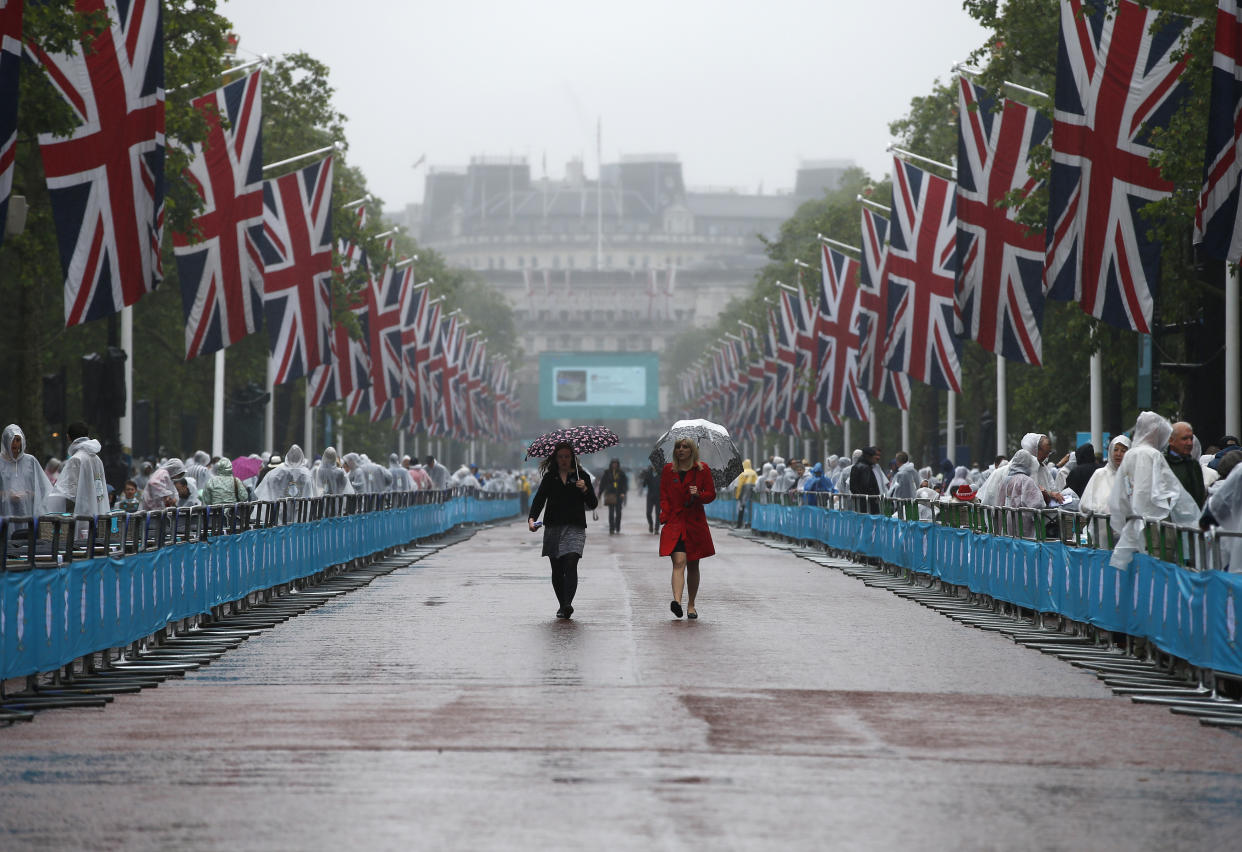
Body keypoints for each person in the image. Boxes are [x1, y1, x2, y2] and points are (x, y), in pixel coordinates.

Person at [1109, 412, 1200, 569]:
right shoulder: (1153, 455)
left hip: (1135, 523)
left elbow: (1121, 491)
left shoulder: (1130, 455)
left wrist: (1127, 517)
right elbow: (1169, 490)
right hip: (1157, 528)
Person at [527, 442, 598, 619]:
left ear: (573, 458)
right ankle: (561, 604)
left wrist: (585, 489)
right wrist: (532, 519)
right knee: (557, 568)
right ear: (555, 458)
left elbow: (593, 504)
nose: (564, 460)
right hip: (553, 528)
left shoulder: (582, 477)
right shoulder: (550, 477)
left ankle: (568, 604)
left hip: (575, 527)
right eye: (561, 457)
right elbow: (539, 499)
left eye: (567, 456)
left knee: (571, 562)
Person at [659, 437, 715, 619]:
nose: (680, 450)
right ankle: (677, 602)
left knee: (693, 564)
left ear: (692, 450)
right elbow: (664, 496)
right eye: (677, 447)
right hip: (675, 523)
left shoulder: (702, 469)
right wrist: (665, 515)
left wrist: (698, 494)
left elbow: (711, 494)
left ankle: (691, 604)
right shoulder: (668, 470)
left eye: (684, 447)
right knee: (678, 562)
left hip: (695, 523)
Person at [48, 422, 110, 518]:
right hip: (97, 511)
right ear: (87, 435)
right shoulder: (97, 459)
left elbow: (69, 492)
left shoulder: (76, 459)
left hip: (81, 514)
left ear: (68, 437)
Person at [0, 424, 53, 523]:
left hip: (27, 513)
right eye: (11, 440)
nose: (14, 444)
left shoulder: (30, 461)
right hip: (4, 514)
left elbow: (43, 488)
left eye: (17, 440)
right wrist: (7, 495)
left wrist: (30, 494)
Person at [998, 449, 1045, 537]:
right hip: (1021, 523)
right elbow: (1037, 503)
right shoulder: (1026, 480)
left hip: (1007, 521)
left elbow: (1000, 502)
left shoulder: (1005, 480)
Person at [1079, 435, 1130, 515]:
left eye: (1123, 451)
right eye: (1115, 450)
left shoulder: (1132, 476)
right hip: (1101, 526)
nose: (1118, 454)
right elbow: (1085, 504)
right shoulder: (1100, 474)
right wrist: (1100, 509)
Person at [1166, 421, 1207, 508]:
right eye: (1184, 439)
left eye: (1191, 439)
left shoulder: (1194, 465)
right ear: (1171, 440)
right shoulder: (1163, 463)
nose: (1189, 443)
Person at [598, 458, 628, 534]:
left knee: (618, 513)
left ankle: (617, 526)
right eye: (613, 463)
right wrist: (600, 493)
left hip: (619, 494)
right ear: (611, 464)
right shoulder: (607, 473)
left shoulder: (621, 473)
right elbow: (602, 483)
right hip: (610, 494)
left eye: (616, 463)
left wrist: (623, 492)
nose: (614, 465)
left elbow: (625, 484)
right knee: (611, 513)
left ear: (618, 464)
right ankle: (611, 528)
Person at [849, 446, 883, 513]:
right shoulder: (865, 468)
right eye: (874, 456)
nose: (876, 458)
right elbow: (867, 485)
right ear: (868, 456)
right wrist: (874, 496)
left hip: (859, 502)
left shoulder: (855, 467)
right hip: (868, 503)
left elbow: (852, 487)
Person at [733, 458, 758, 527]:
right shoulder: (754, 473)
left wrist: (737, 496)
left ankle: (739, 524)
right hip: (752, 497)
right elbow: (757, 484)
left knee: (741, 510)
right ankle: (750, 524)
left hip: (743, 496)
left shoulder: (742, 473)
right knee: (751, 510)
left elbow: (739, 485)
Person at [639, 463, 661, 534]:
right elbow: (644, 485)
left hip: (659, 496)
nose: (654, 466)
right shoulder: (648, 473)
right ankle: (651, 524)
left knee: (658, 514)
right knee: (648, 513)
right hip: (650, 496)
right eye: (653, 464)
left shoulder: (661, 473)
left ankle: (657, 529)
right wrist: (645, 478)